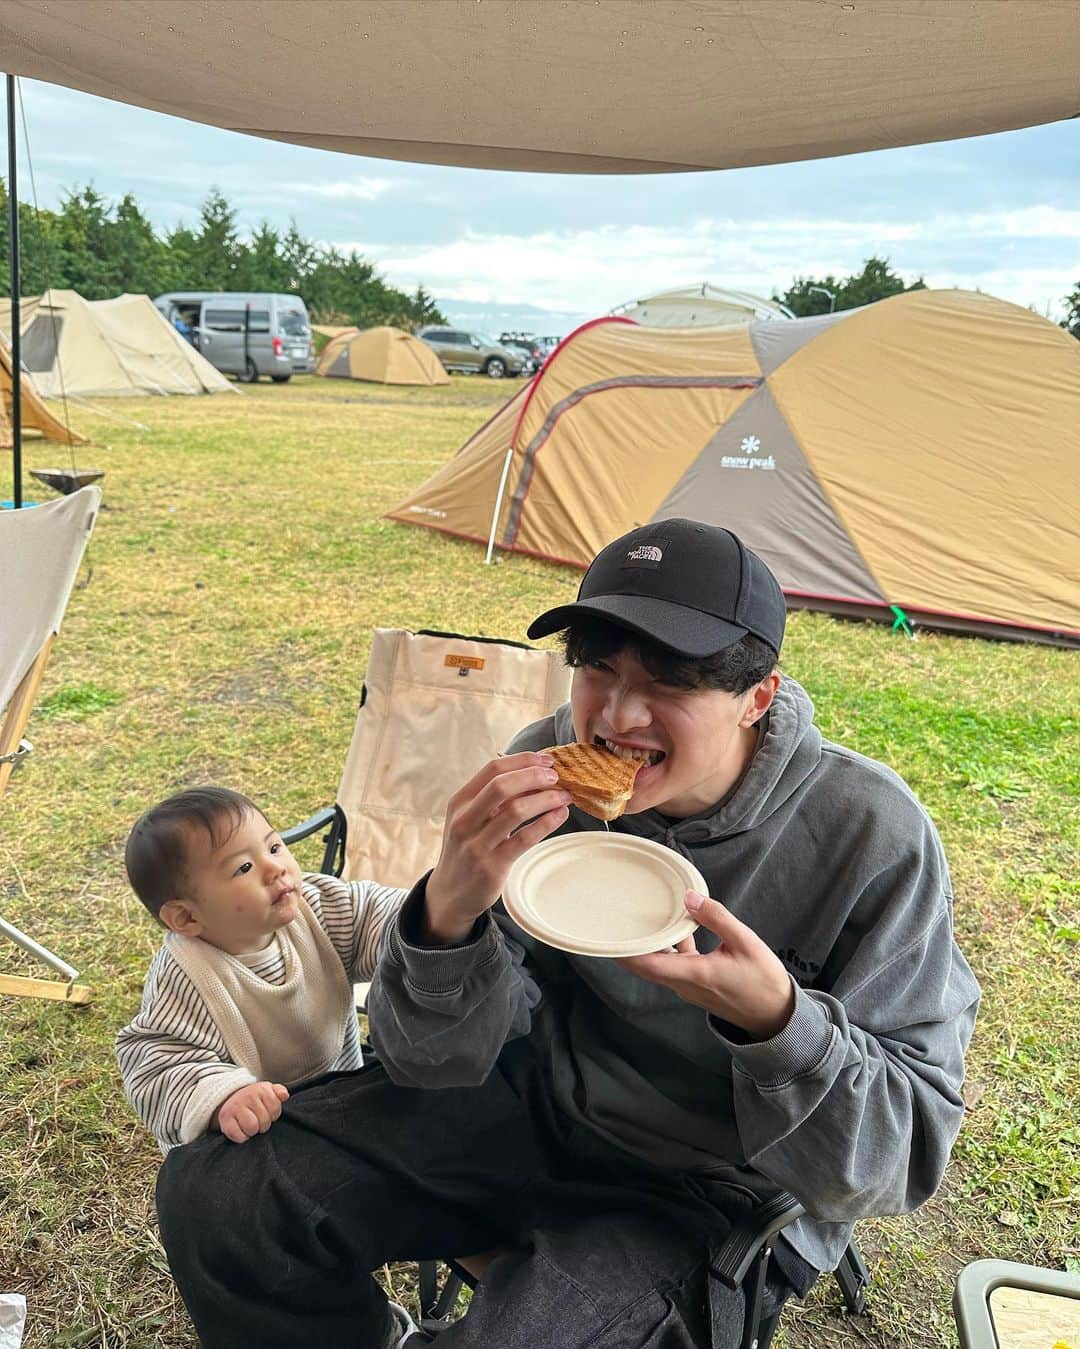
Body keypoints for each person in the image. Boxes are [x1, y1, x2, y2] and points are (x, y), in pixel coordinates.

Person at [154, 520, 980, 1349]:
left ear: (756, 696)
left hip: (712, 1184)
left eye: (670, 680)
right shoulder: (549, 766)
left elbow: (900, 1155)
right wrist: (449, 916)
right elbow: (430, 1061)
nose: (617, 715)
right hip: (530, 1106)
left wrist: (777, 1022)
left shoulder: (871, 835)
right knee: (221, 1196)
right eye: (597, 666)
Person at [116, 786, 407, 1152]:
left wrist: (432, 916)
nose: (275, 868)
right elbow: (156, 1063)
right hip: (260, 1136)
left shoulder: (315, 909)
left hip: (341, 1086)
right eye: (244, 868)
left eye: (273, 847)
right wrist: (225, 1098)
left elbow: (376, 913)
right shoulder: (189, 976)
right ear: (187, 917)